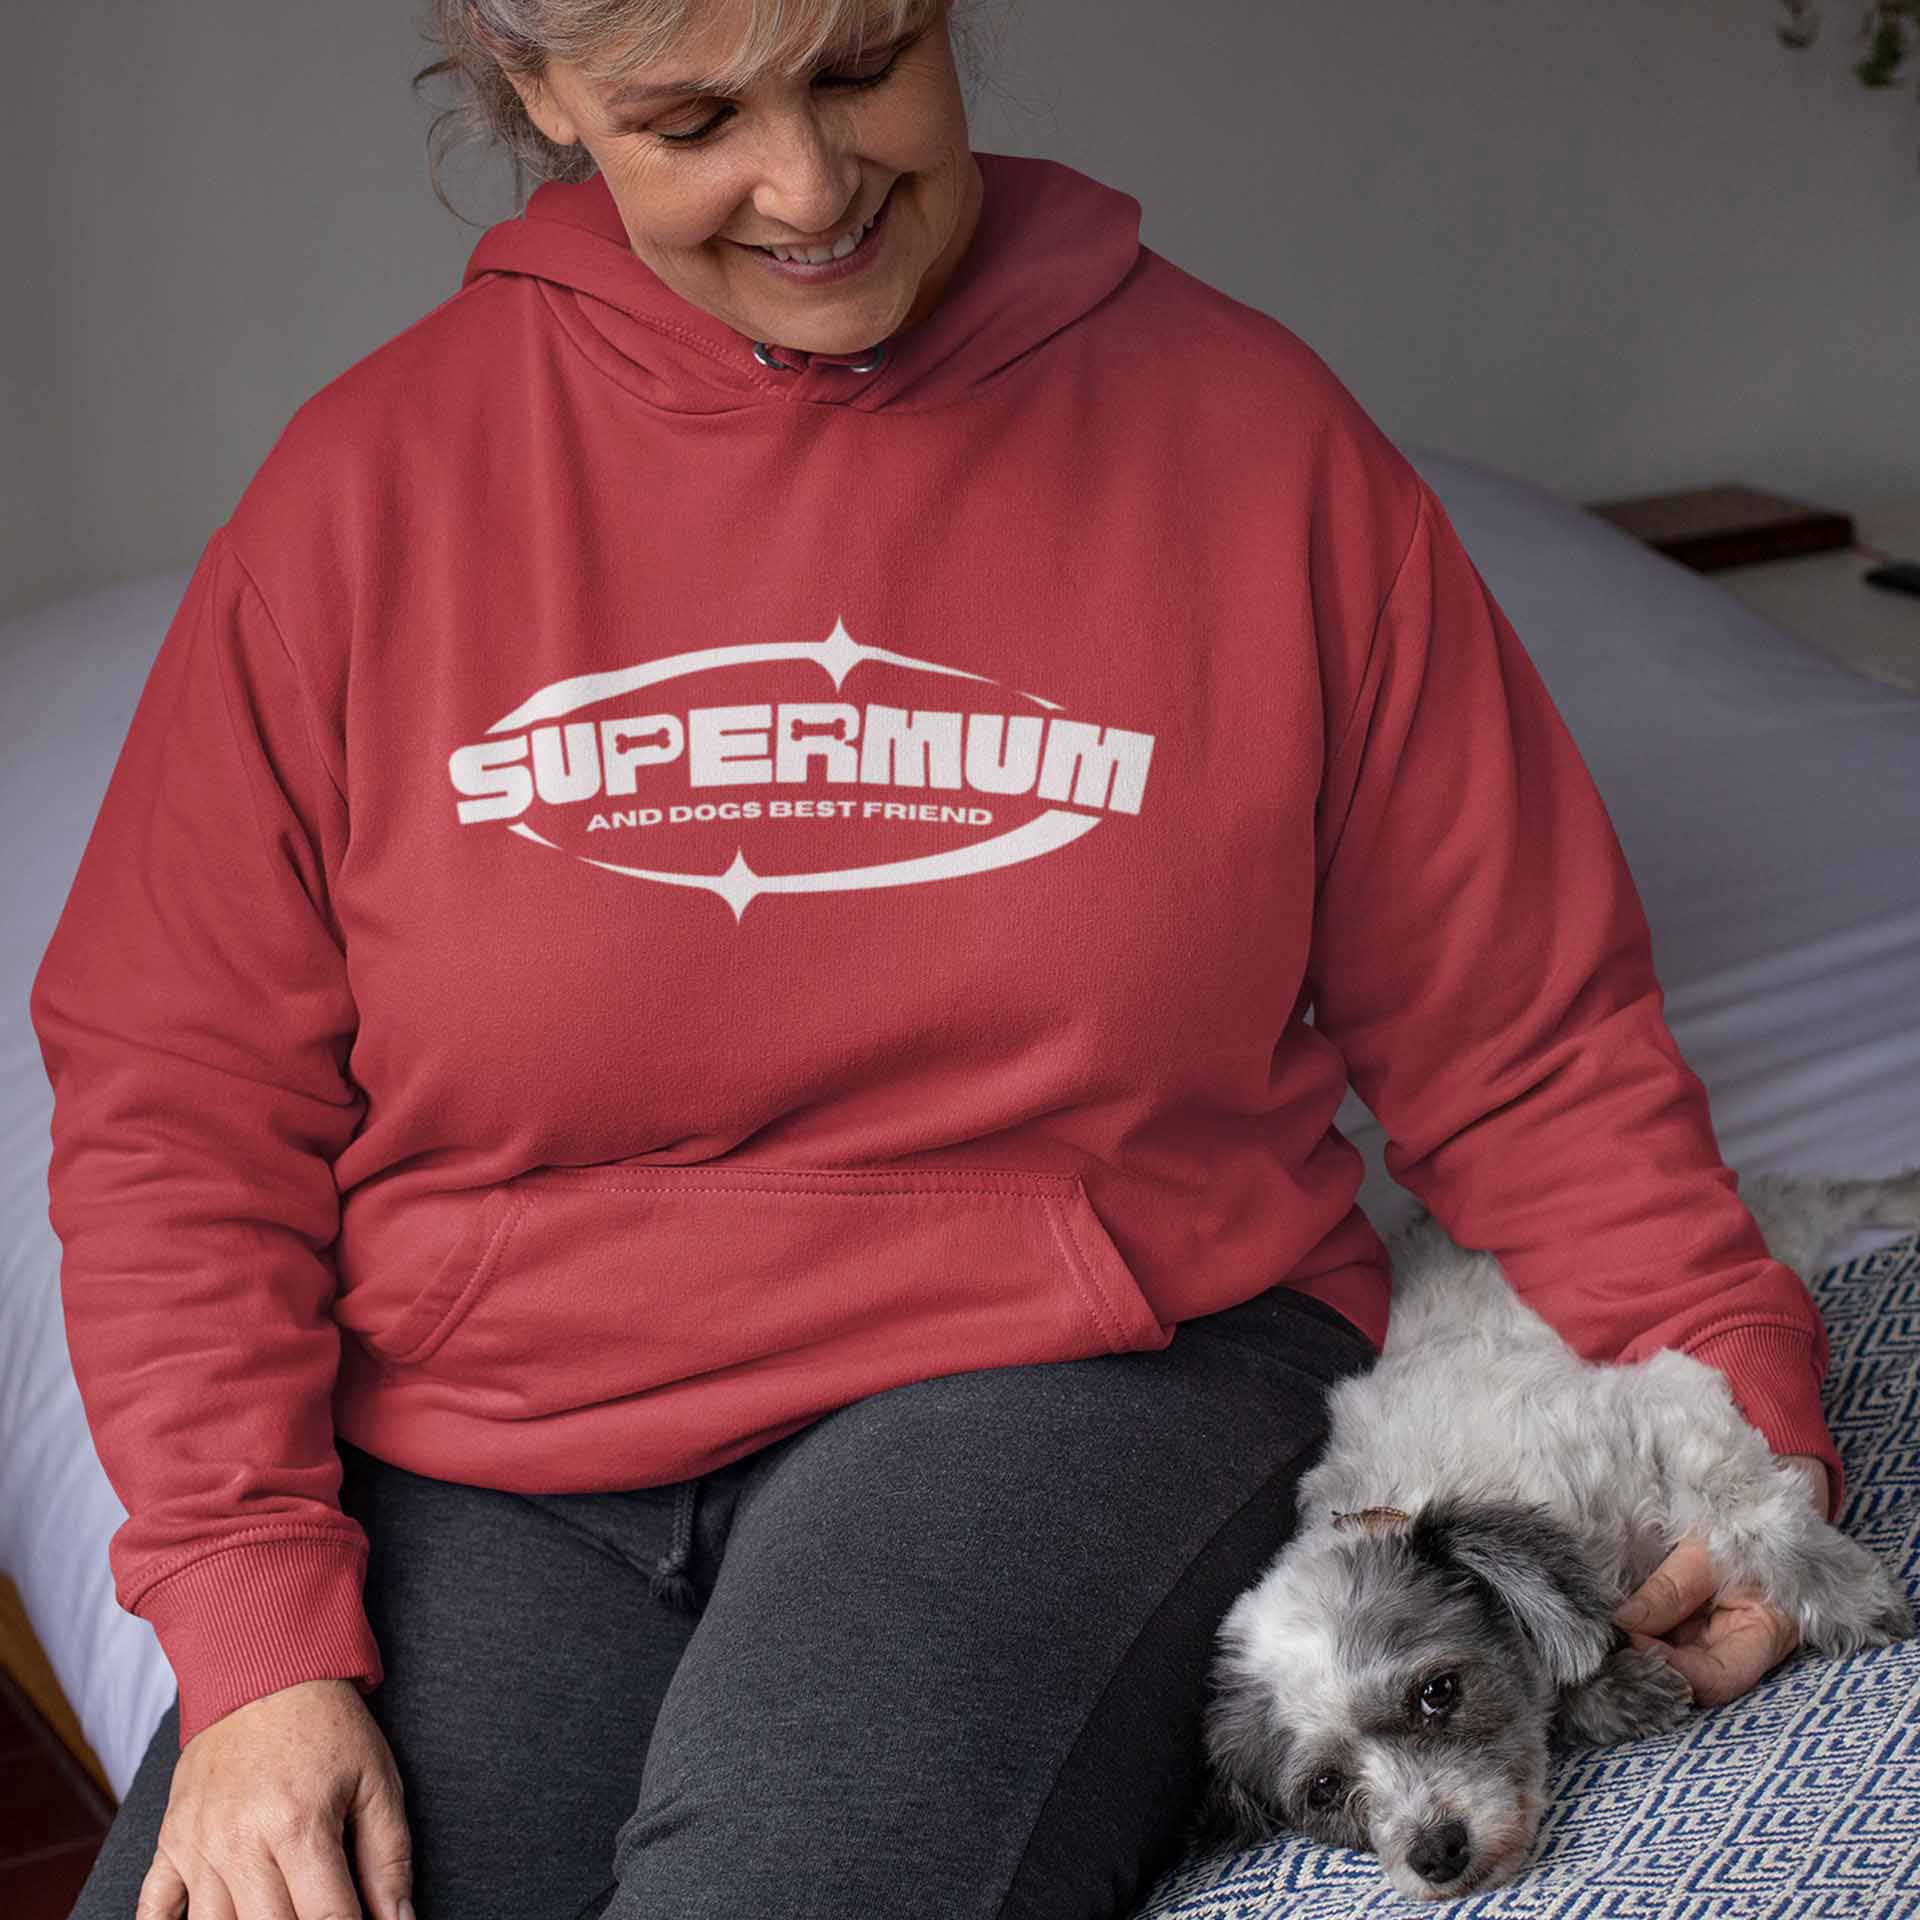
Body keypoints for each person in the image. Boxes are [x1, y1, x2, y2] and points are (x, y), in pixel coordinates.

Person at [33, 2, 1840, 1916]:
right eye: (694, 115)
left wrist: (1735, 1400)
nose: (811, 182)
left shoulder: (1254, 441)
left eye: (863, 61)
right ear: (541, 98)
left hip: (1078, 1365)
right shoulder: (364, 492)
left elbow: (1525, 1034)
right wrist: (255, 1631)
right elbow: (180, 1108)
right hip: (496, 1450)